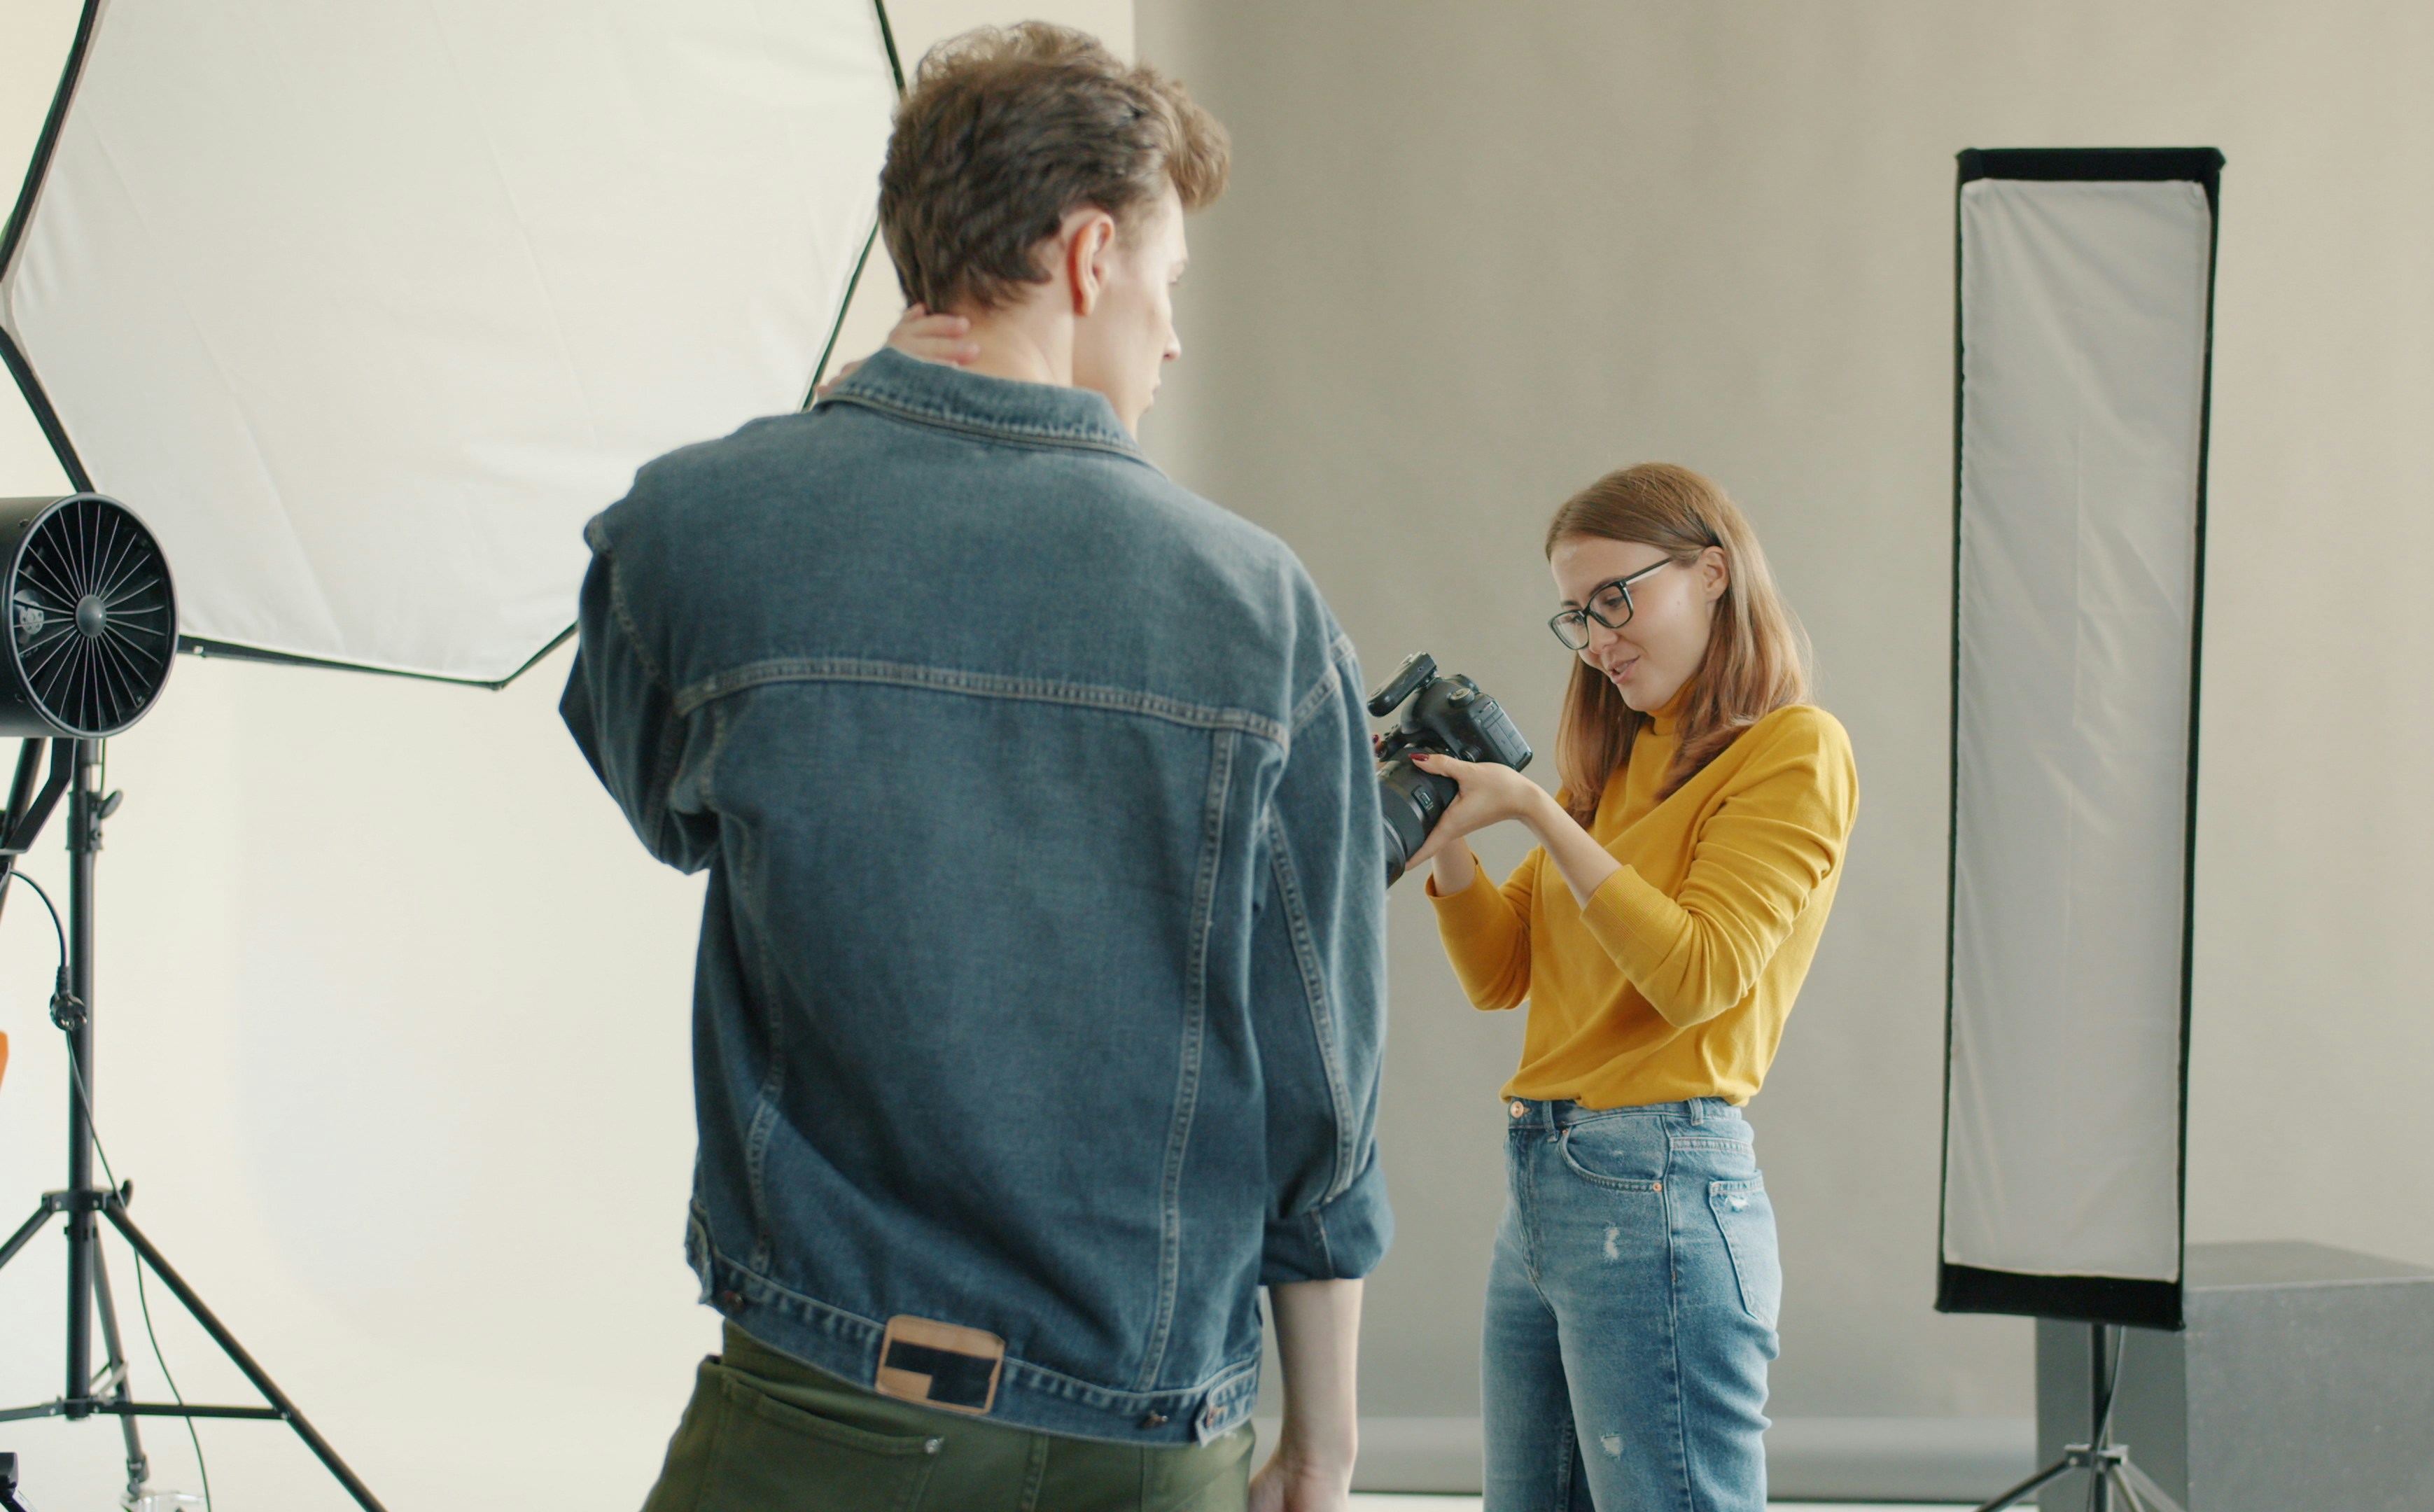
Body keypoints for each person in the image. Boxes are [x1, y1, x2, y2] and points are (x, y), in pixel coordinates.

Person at [559, 25, 1388, 1512]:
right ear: (1086, 256)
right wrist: (1321, 1444)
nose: (1174, 334)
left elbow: (670, 819)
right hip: (1143, 1438)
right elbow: (1319, 1104)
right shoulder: (1264, 612)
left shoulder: (687, 534)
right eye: (1169, 282)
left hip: (818, 1406)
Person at [1402, 463, 1859, 1512]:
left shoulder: (1794, 751)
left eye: (1619, 599)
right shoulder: (1610, 769)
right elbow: (1501, 973)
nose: (1600, 638)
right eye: (1577, 614)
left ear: (1711, 574)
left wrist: (1537, 814)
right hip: (1546, 1186)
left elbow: (1700, 973)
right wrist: (1453, 841)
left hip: (1659, 1184)